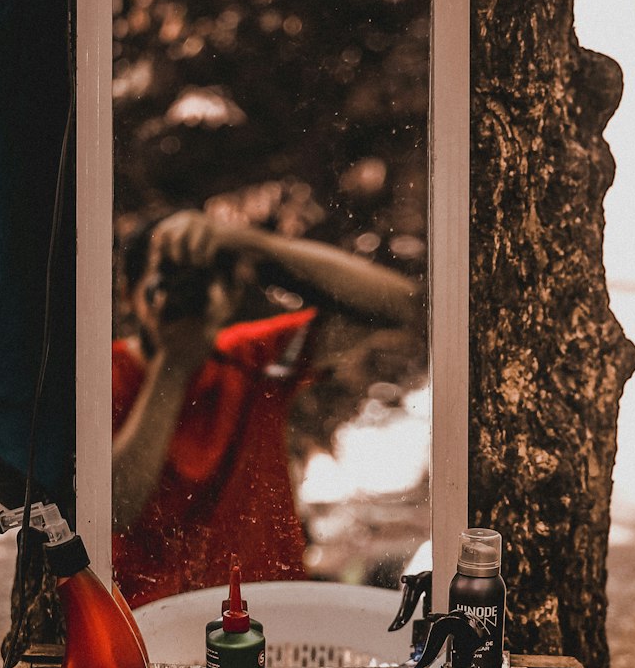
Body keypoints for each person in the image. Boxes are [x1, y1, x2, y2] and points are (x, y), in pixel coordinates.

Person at [111, 209, 420, 607]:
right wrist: (172, 369)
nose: (185, 296)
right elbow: (114, 509)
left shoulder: (253, 358)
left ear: (229, 293)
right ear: (128, 294)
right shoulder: (107, 377)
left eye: (200, 282)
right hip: (155, 624)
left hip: (271, 611)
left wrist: (252, 243)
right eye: (168, 280)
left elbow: (401, 306)